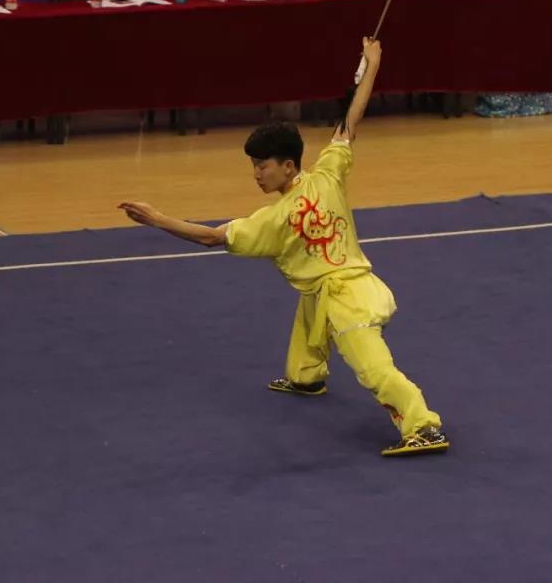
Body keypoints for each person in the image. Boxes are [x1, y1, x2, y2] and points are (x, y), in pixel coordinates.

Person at [118, 39, 449, 457]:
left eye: (262, 166)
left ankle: (423, 426)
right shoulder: (327, 172)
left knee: (374, 369)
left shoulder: (273, 220)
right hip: (328, 289)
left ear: (288, 166)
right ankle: (307, 377)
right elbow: (351, 120)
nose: (256, 175)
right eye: (253, 166)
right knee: (310, 305)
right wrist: (373, 65)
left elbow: (210, 236)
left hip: (350, 300)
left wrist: (156, 218)